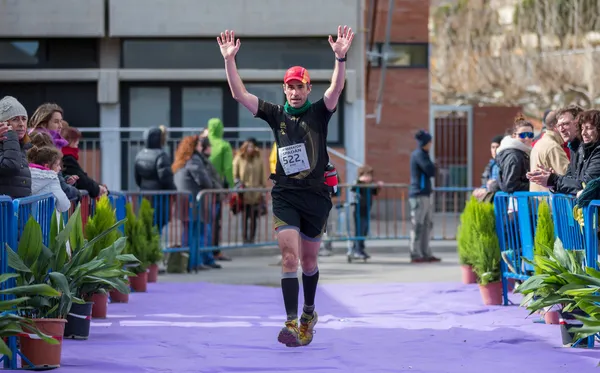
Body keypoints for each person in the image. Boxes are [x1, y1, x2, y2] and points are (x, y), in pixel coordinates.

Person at [218, 25, 354, 347]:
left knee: (309, 262)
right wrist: (229, 61)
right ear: (284, 89)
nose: (294, 92)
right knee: (290, 258)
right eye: (290, 87)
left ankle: (309, 312)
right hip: (285, 196)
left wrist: (341, 57)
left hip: (316, 196)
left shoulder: (320, 112)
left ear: (308, 89)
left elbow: (335, 89)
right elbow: (240, 95)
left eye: (300, 87)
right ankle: (291, 322)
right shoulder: (275, 114)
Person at [409, 130, 440, 263]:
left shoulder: (423, 154)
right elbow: (430, 170)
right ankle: (415, 253)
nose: (431, 144)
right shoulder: (419, 155)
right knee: (418, 225)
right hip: (419, 194)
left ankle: (425, 252)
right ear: (426, 143)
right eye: (430, 142)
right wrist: (435, 166)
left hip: (425, 193)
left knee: (427, 224)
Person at [233, 138, 266, 244]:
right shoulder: (239, 158)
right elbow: (235, 175)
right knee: (244, 217)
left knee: (253, 217)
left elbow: (262, 175)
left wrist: (263, 189)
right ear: (245, 147)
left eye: (252, 147)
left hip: (255, 193)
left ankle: (252, 238)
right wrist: (237, 186)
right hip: (244, 193)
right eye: (248, 147)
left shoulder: (258, 158)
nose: (250, 149)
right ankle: (244, 238)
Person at [528, 110, 569, 192]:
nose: (564, 128)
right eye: (563, 124)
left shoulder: (540, 143)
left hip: (540, 200)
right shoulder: (553, 147)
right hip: (549, 200)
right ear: (555, 126)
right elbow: (567, 176)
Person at [0, 96, 32, 198]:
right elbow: (11, 166)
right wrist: (10, 134)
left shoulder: (23, 147)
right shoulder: (9, 142)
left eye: (24, 119)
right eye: (15, 119)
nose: (21, 124)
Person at [349, 165, 383, 260]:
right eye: (366, 175)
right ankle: (356, 249)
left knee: (364, 231)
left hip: (366, 210)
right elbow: (353, 188)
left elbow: (375, 192)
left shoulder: (370, 185)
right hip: (358, 211)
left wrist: (378, 186)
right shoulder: (359, 184)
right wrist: (359, 181)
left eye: (369, 175)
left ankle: (361, 249)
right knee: (359, 231)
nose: (368, 177)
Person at [495, 115, 534, 193]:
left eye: (530, 135)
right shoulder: (514, 156)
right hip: (518, 201)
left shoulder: (523, 152)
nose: (527, 138)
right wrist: (535, 185)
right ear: (514, 135)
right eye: (522, 135)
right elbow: (510, 185)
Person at [27, 145, 71, 213]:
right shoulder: (52, 178)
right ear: (46, 166)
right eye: (57, 165)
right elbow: (64, 205)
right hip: (47, 220)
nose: (59, 168)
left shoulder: (26, 174)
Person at [472, 134, 503, 202]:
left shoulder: (504, 163)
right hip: (491, 196)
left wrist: (491, 185)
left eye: (497, 147)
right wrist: (482, 189)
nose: (495, 150)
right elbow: (485, 180)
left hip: (501, 198)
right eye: (493, 147)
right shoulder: (491, 165)